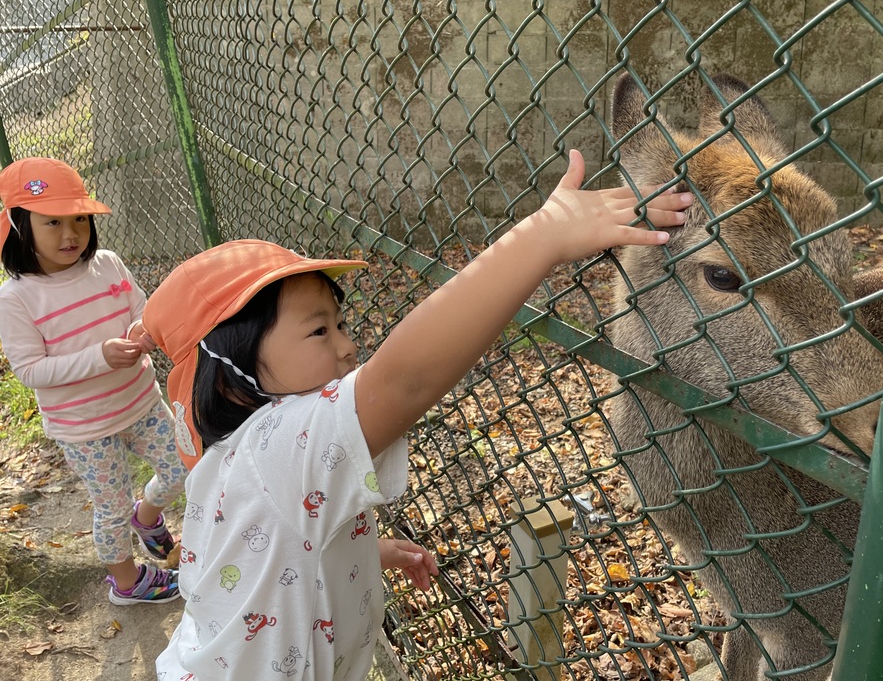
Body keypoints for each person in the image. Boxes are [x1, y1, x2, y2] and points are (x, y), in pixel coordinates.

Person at [144, 149, 692, 680]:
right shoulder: (273, 445)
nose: (346, 346)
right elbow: (404, 380)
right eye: (318, 330)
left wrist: (366, 551)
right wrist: (542, 236)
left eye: (340, 324)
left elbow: (256, 554)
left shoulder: (237, 458)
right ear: (231, 375)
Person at [0, 157, 187, 605]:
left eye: (80, 219)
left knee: (182, 466)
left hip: (141, 403)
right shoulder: (16, 298)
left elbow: (142, 309)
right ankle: (127, 584)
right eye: (52, 223)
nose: (71, 234)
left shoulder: (107, 264)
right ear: (18, 226)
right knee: (111, 506)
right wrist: (99, 357)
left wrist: (144, 328)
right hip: (84, 428)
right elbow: (31, 371)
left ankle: (149, 517)